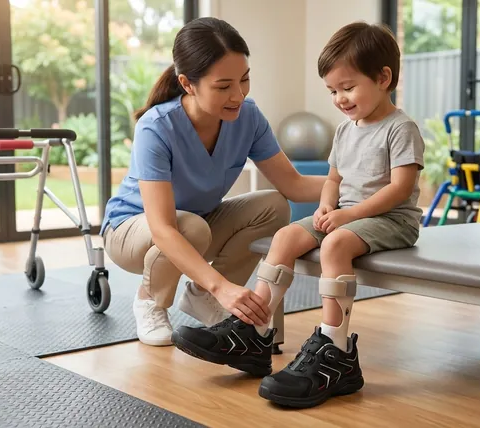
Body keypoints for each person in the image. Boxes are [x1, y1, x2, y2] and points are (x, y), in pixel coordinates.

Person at [171, 21, 425, 408]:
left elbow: (399, 190)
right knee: (286, 236)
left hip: (392, 220)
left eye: (348, 87)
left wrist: (345, 215)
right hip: (347, 215)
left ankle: (335, 349)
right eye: (332, 91)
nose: (339, 98)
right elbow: (333, 179)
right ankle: (255, 330)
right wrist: (327, 205)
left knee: (336, 244)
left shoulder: (399, 128)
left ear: (383, 77)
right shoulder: (345, 130)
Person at [100, 17, 326, 347]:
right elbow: (162, 228)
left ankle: (202, 297)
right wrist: (223, 286)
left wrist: (358, 183)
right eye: (223, 86)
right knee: (188, 227)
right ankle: (150, 300)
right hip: (130, 232)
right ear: (188, 83)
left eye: (244, 80)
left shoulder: (248, 117)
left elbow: (293, 185)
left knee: (273, 206)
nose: (238, 94)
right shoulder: (157, 127)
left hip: (197, 225)